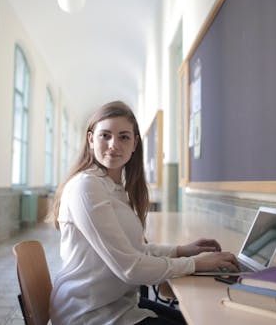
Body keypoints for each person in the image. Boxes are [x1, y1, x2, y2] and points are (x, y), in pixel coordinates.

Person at [49, 101, 239, 324]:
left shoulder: (116, 188)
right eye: (105, 135)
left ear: (134, 143)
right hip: (89, 314)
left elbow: (132, 251)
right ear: (91, 139)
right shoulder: (86, 187)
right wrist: (198, 263)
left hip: (118, 304)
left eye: (123, 137)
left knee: (199, 317)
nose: (114, 145)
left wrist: (180, 250)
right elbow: (130, 268)